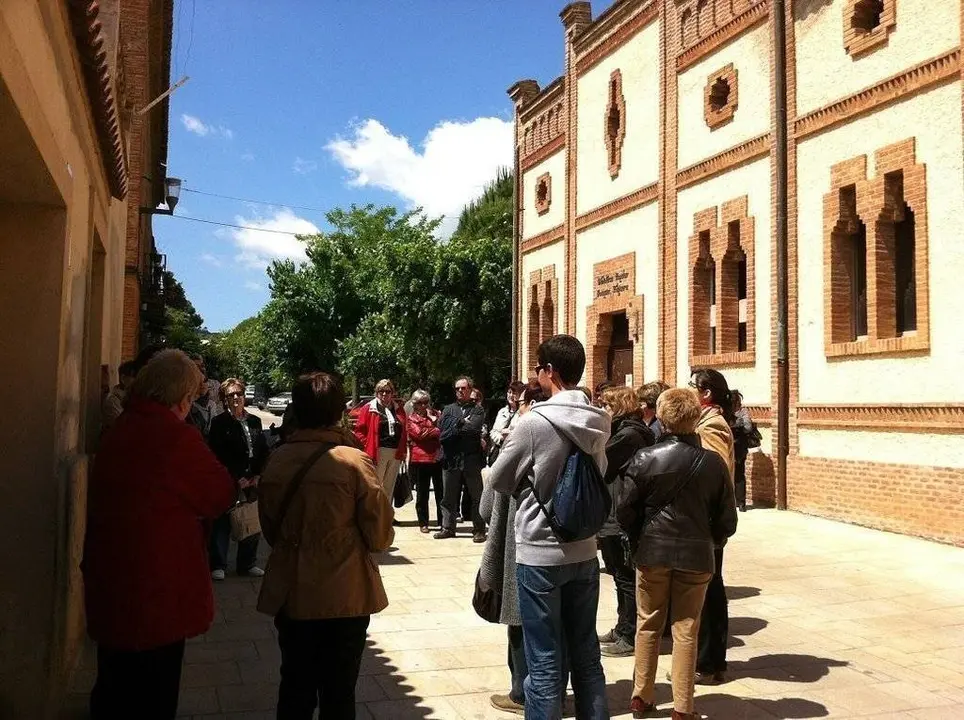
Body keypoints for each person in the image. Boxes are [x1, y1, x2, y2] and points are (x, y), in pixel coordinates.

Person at [82, 350, 235, 719]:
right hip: (156, 587)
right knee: (153, 693)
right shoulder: (173, 436)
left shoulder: (122, 427)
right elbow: (219, 492)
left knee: (114, 685)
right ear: (181, 398)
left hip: (112, 580)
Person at [257, 371, 394, 719]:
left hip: (293, 591)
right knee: (339, 694)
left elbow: (270, 529)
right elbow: (380, 536)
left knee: (294, 690)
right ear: (338, 412)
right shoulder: (353, 462)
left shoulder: (278, 459)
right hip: (345, 595)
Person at [490, 334, 611, 720]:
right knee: (587, 658)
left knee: (543, 664)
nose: (535, 375)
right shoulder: (598, 420)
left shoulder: (533, 423)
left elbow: (498, 479)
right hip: (585, 548)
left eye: (538, 368)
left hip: (540, 550)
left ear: (551, 371)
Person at [617, 388, 737, 720]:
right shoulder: (712, 464)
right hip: (696, 555)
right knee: (686, 628)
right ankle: (683, 707)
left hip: (653, 552)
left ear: (663, 417)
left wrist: (640, 538)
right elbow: (727, 519)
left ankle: (641, 696)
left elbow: (625, 510)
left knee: (648, 623)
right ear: (695, 417)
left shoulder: (645, 458)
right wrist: (710, 540)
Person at [481, 383, 547, 715]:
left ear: (531, 404)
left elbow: (485, 506)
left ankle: (522, 692)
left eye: (520, 402)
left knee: (520, 619)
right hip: (568, 550)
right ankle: (550, 690)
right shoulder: (579, 436)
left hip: (521, 546)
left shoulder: (520, 440)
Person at [597, 386, 655, 658]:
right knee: (619, 575)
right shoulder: (625, 431)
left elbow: (601, 461)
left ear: (619, 407)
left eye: (607, 406)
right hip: (613, 511)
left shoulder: (628, 435)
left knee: (624, 576)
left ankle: (629, 634)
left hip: (619, 514)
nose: (603, 411)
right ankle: (622, 627)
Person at [690, 368, 736, 685]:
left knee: (708, 592)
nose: (687, 390)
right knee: (710, 588)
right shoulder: (707, 423)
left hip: (705, 521)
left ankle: (708, 663)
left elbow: (713, 472)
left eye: (691, 386)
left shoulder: (712, 426)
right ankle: (709, 661)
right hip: (705, 521)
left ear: (706, 394)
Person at [208, 379, 268, 580]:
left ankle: (247, 563)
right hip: (230, 479)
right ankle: (218, 564)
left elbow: (262, 450)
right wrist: (235, 477)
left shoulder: (254, 421)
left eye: (239, 394)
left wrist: (257, 475)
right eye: (231, 395)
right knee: (223, 522)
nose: (236, 398)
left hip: (252, 479)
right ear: (224, 399)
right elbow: (216, 454)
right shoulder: (219, 423)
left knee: (251, 519)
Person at [436, 376, 487, 543]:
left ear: (470, 389)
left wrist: (455, 427)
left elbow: (474, 429)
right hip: (451, 459)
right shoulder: (448, 409)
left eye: (463, 388)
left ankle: (478, 529)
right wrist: (460, 422)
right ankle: (448, 528)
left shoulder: (477, 410)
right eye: (457, 388)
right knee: (448, 496)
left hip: (471, 459)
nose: (460, 391)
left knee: (476, 495)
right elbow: (443, 434)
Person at [352, 379, 408, 501]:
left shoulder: (398, 409)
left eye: (387, 391)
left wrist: (403, 451)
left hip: (395, 452)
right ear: (376, 393)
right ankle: (373, 516)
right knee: (374, 485)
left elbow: (404, 431)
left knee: (389, 487)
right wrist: (366, 447)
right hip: (377, 451)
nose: (384, 394)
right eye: (381, 391)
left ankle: (386, 516)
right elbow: (360, 431)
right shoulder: (369, 408)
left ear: (392, 393)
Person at [408, 389, 443, 533]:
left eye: (426, 402)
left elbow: (445, 429)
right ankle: (423, 522)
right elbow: (419, 434)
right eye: (420, 403)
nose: (423, 406)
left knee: (441, 492)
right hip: (420, 459)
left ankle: (443, 521)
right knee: (422, 493)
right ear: (414, 404)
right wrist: (435, 429)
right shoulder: (411, 418)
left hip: (437, 457)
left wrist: (433, 423)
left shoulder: (437, 415)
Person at [489, 382, 525, 466]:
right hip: (499, 455)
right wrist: (501, 438)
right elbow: (493, 432)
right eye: (509, 392)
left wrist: (510, 435)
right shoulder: (502, 411)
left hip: (514, 456)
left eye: (514, 393)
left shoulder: (523, 413)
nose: (511, 395)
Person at [730, 390, 753, 512]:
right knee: (740, 474)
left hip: (730, 448)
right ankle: (742, 503)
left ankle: (732, 501)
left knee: (729, 474)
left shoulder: (725, 413)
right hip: (740, 448)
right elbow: (748, 427)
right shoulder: (743, 412)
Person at [102, 360, 137, 429]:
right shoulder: (113, 401)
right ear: (123, 378)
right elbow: (124, 428)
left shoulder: (133, 397)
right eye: (135, 377)